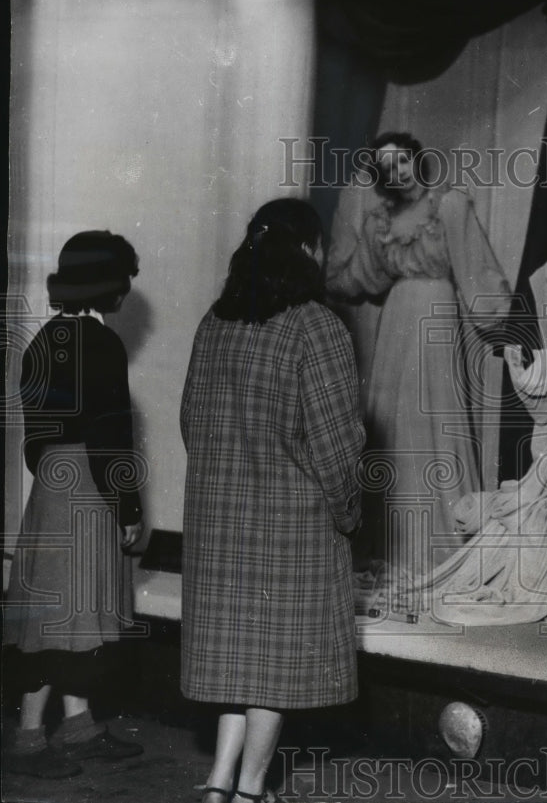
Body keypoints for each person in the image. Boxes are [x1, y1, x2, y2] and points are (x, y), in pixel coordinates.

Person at [180, 199, 365, 803]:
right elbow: (338, 447)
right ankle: (254, 790)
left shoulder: (216, 321)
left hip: (220, 525)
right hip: (292, 529)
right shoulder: (318, 327)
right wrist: (348, 514)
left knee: (241, 666)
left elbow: (190, 422)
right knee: (275, 669)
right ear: (309, 250)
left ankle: (217, 785)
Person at [326, 132, 511, 600]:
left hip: (437, 316)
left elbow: (477, 267)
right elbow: (360, 276)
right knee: (390, 427)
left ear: (417, 161)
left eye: (403, 161)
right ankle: (390, 547)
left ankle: (440, 547)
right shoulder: (380, 220)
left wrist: (503, 321)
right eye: (387, 167)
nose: (398, 172)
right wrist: (322, 280)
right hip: (397, 322)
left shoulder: (448, 206)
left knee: (434, 420)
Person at [5, 231, 146, 778]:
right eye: (124, 280)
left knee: (62, 621)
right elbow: (113, 439)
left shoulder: (45, 339)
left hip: (52, 488)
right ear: (108, 283)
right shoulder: (102, 343)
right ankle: (28, 741)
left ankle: (79, 728)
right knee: (59, 626)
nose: (127, 291)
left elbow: (35, 439)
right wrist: (128, 509)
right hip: (88, 487)